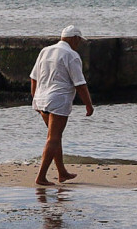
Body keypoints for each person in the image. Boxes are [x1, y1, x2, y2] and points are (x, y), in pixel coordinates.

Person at [30, 24, 94, 186]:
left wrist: (35, 97)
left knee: (54, 137)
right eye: (79, 41)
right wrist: (89, 105)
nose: (79, 44)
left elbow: (33, 77)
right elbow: (80, 84)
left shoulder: (45, 51)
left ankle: (62, 172)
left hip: (41, 98)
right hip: (58, 100)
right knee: (54, 138)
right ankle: (41, 177)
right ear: (75, 39)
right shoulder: (71, 55)